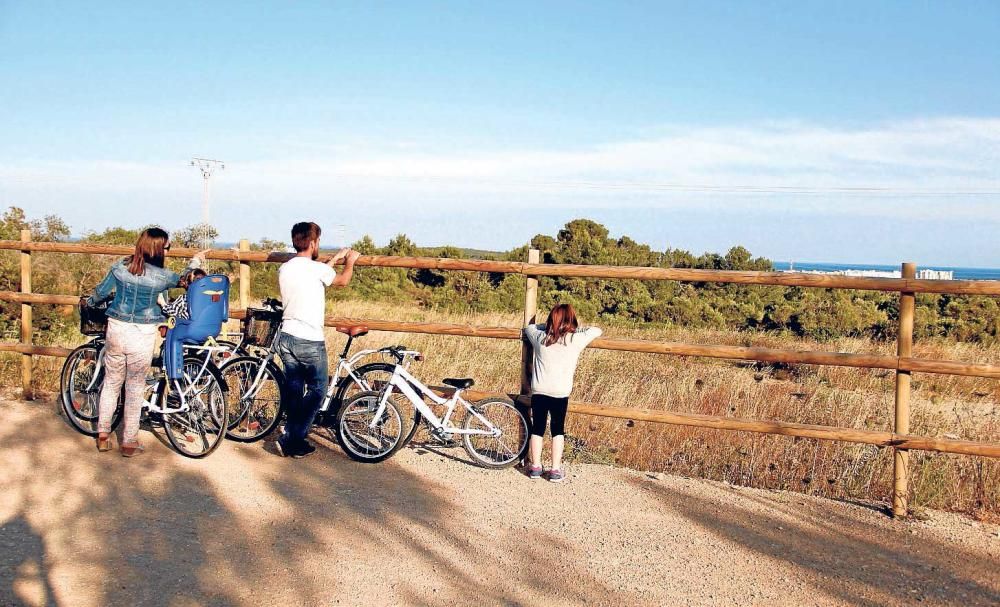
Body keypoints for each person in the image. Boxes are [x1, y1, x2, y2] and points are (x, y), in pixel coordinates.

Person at [86, 228, 206, 456]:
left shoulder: (121, 266)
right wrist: (195, 261)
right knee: (134, 386)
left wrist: (89, 302)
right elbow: (187, 280)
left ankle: (103, 434)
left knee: (112, 382)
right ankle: (129, 442)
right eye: (167, 247)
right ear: (160, 249)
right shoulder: (162, 276)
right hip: (143, 331)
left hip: (117, 328)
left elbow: (101, 292)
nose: (168, 251)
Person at [275, 221, 361, 458]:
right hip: (309, 339)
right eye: (318, 241)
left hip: (287, 336)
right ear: (313, 243)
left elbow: (316, 273)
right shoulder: (315, 270)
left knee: (295, 390)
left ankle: (292, 437)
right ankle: (292, 438)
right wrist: (350, 260)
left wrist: (333, 259)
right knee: (318, 390)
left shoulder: (286, 268)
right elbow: (342, 280)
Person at [522, 304, 602, 482]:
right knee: (558, 429)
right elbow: (596, 330)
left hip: (539, 389)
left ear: (551, 319)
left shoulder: (541, 338)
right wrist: (573, 329)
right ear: (570, 320)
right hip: (560, 392)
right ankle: (555, 469)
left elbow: (529, 328)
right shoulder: (574, 340)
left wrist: (549, 327)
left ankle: (535, 466)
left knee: (538, 428)